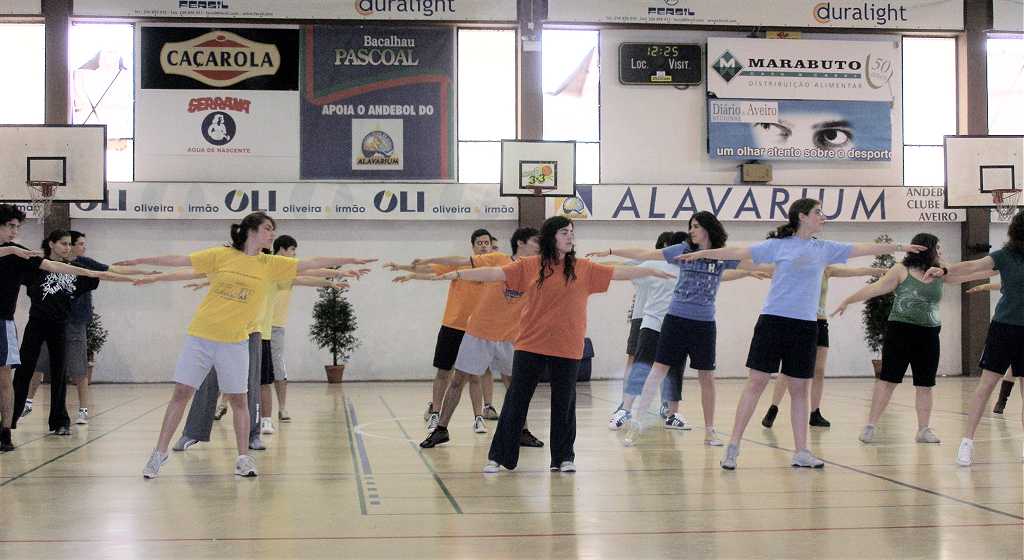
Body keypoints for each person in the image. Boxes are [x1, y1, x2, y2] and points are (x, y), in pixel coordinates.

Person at [120, 212, 374, 478]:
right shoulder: (221, 255)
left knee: (239, 400)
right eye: (268, 228)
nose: (272, 234)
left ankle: (243, 458)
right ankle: (159, 453)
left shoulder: (270, 264)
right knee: (181, 393)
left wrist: (349, 260)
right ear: (251, 230)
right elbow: (179, 260)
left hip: (235, 343)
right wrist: (141, 261)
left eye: (273, 230)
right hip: (201, 337)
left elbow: (310, 264)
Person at [675, 198, 925, 470]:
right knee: (756, 383)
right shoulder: (778, 245)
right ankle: (733, 445)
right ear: (802, 216)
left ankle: (801, 451)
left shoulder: (824, 249)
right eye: (818, 212)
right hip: (773, 322)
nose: (823, 216)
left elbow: (861, 248)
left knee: (799, 390)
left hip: (805, 327)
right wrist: (702, 254)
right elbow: (737, 251)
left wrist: (899, 247)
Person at [440, 216, 674, 473]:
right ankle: (499, 456)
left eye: (571, 232)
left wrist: (650, 270)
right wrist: (459, 274)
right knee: (516, 399)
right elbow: (495, 273)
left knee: (564, 403)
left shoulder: (583, 267)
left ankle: (563, 458)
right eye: (564, 232)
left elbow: (618, 272)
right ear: (551, 237)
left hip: (567, 345)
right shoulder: (531, 265)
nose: (570, 236)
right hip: (531, 343)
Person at [591, 213, 767, 447]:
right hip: (675, 320)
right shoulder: (683, 250)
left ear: (708, 229)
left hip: (704, 324)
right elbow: (646, 254)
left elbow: (752, 263)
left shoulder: (722, 255)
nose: (691, 231)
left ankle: (710, 431)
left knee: (707, 377)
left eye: (696, 226)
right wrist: (611, 251)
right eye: (690, 226)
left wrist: (772, 269)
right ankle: (636, 424)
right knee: (657, 371)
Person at [832, 233, 969, 444]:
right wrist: (848, 300)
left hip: (929, 333)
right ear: (926, 249)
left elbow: (968, 273)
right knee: (888, 381)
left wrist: (998, 268)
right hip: (901, 332)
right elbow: (875, 288)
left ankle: (923, 430)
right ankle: (870, 426)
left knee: (925, 384)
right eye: (938, 248)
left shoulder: (940, 271)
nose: (941, 252)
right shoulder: (901, 270)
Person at [0, 205, 114, 451]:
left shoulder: (31, 257)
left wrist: (95, 272)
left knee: (52, 373)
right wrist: (10, 250)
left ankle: (47, 423)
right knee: (25, 372)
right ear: (51, 244)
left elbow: (64, 268)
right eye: (10, 226)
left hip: (54, 325)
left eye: (17, 227)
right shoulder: (21, 255)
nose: (14, 231)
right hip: (36, 323)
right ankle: (12, 419)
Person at [415, 227, 541, 448]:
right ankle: (441, 429)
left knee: (515, 385)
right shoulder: (498, 259)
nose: (539, 246)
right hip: (479, 332)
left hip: (510, 336)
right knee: (458, 381)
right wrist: (433, 261)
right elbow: (462, 262)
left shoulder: (537, 270)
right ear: (520, 243)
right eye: (535, 241)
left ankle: (523, 430)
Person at [22, 230, 153, 425]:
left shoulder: (84, 265)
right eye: (79, 244)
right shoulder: (47, 265)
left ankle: (83, 409)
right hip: (50, 322)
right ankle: (27, 401)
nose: (83, 247)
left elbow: (110, 272)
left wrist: (142, 274)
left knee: (78, 368)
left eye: (78, 244)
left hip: (75, 322)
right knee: (38, 364)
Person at [935, 211, 1024, 466]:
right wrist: (945, 269)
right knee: (985, 386)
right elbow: (972, 266)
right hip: (1004, 329)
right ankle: (967, 442)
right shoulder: (1004, 256)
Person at [385, 228, 494, 433]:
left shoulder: (495, 269)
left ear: (491, 245)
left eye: (486, 243)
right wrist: (403, 268)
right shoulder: (460, 265)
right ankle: (435, 413)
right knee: (444, 372)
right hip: (452, 326)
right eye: (479, 243)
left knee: (474, 376)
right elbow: (431, 270)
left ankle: (478, 417)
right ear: (473, 246)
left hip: (477, 330)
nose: (483, 246)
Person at [761, 264, 885, 429]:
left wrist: (876, 271)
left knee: (819, 370)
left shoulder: (827, 270)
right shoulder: (798, 267)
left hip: (820, 323)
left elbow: (855, 271)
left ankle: (815, 413)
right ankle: (773, 408)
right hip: (800, 322)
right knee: (788, 369)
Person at [964, 279, 1017, 414]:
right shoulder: (1014, 280)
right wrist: (983, 286)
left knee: (1013, 369)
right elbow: (1001, 285)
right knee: (1011, 369)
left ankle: (1001, 402)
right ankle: (1001, 401)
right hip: (1009, 328)